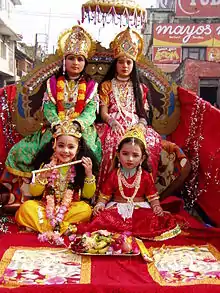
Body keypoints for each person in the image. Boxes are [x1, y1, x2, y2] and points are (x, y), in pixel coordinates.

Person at [1, 26, 101, 199]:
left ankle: (84, 193)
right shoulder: (53, 83)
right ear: (64, 61)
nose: (75, 63)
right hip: (56, 127)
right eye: (71, 58)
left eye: (79, 59)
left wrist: (78, 123)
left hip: (82, 129)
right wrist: (56, 123)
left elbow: (91, 110)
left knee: (93, 152)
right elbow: (48, 107)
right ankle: (26, 193)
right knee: (23, 149)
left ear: (85, 63)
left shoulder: (91, 86)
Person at [77, 127, 181, 240]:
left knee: (152, 218)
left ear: (142, 158)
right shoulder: (114, 175)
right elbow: (104, 196)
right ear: (117, 154)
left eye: (135, 155)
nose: (130, 159)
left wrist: (156, 207)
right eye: (125, 154)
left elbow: (152, 197)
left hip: (139, 209)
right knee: (102, 217)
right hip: (117, 209)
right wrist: (100, 205)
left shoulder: (145, 176)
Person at [15, 119, 99, 243]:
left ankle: (45, 228)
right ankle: (63, 228)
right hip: (45, 207)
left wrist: (89, 173)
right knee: (27, 208)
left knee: (85, 210)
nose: (65, 151)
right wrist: (43, 176)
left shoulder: (80, 166)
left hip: (70, 208)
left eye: (71, 147)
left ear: (78, 147)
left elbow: (88, 195)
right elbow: (34, 193)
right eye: (61, 146)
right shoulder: (47, 164)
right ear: (54, 145)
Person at [97, 27, 161, 189]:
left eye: (128, 62)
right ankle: (107, 190)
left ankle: (143, 191)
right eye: (120, 62)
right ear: (115, 64)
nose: (124, 66)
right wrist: (112, 122)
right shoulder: (106, 86)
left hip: (135, 125)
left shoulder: (140, 88)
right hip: (112, 124)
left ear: (133, 65)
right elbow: (103, 112)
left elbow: (143, 113)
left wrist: (140, 125)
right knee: (111, 144)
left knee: (151, 143)